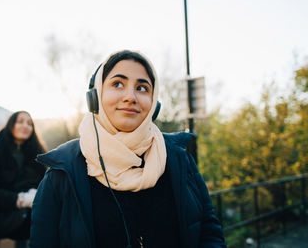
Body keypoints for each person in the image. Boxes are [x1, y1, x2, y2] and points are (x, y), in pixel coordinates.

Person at [30, 50, 226, 248]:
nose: (130, 97)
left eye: (142, 88)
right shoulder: (62, 172)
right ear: (95, 96)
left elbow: (209, 232)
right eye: (117, 84)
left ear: (154, 104)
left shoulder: (180, 159)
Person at [0, 111, 47, 248]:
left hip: (33, 216)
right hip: (3, 219)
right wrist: (21, 199)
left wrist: (37, 195)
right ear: (10, 125)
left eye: (29, 123)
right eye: (20, 121)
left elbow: (46, 182)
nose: (25, 126)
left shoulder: (37, 153)